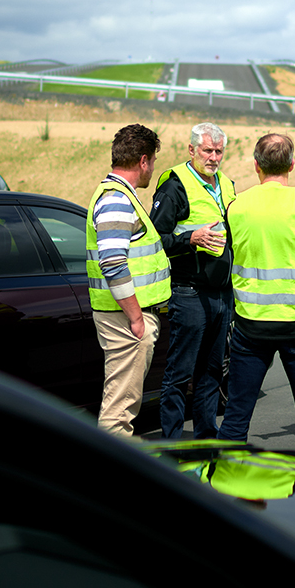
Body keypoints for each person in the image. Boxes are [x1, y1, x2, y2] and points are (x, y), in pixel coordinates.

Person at [218, 133, 295, 454]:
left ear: (256, 165)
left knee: (236, 416)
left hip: (251, 324)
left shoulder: (236, 207)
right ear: (292, 165)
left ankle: (223, 481)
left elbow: (231, 254)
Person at [149, 122, 236, 439]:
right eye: (207, 150)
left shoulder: (227, 184)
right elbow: (155, 240)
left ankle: (205, 438)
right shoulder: (175, 186)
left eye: (219, 151)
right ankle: (171, 443)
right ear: (191, 150)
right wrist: (190, 239)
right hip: (189, 293)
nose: (213, 157)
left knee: (211, 371)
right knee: (180, 373)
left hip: (221, 294)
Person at [86, 123, 171, 438]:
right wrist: (136, 318)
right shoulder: (117, 200)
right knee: (119, 412)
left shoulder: (119, 196)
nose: (153, 168)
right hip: (125, 319)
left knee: (122, 404)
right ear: (144, 161)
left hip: (124, 316)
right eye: (153, 161)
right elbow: (112, 263)